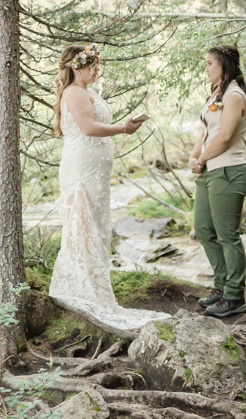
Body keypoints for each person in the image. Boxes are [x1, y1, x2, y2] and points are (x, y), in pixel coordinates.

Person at [49, 43, 171, 329]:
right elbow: (88, 128)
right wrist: (123, 129)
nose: (97, 69)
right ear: (76, 67)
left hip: (95, 172)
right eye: (92, 65)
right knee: (83, 227)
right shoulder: (75, 93)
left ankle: (96, 287)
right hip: (81, 170)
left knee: (96, 227)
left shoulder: (90, 91)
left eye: (97, 64)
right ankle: (80, 291)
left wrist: (125, 124)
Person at [188, 44, 246, 318]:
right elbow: (206, 131)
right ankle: (222, 286)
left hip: (228, 172)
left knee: (228, 236)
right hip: (209, 171)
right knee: (203, 229)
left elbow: (225, 136)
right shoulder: (216, 93)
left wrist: (202, 159)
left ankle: (235, 296)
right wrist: (194, 157)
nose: (206, 69)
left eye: (209, 64)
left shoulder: (235, 95)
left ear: (223, 66)